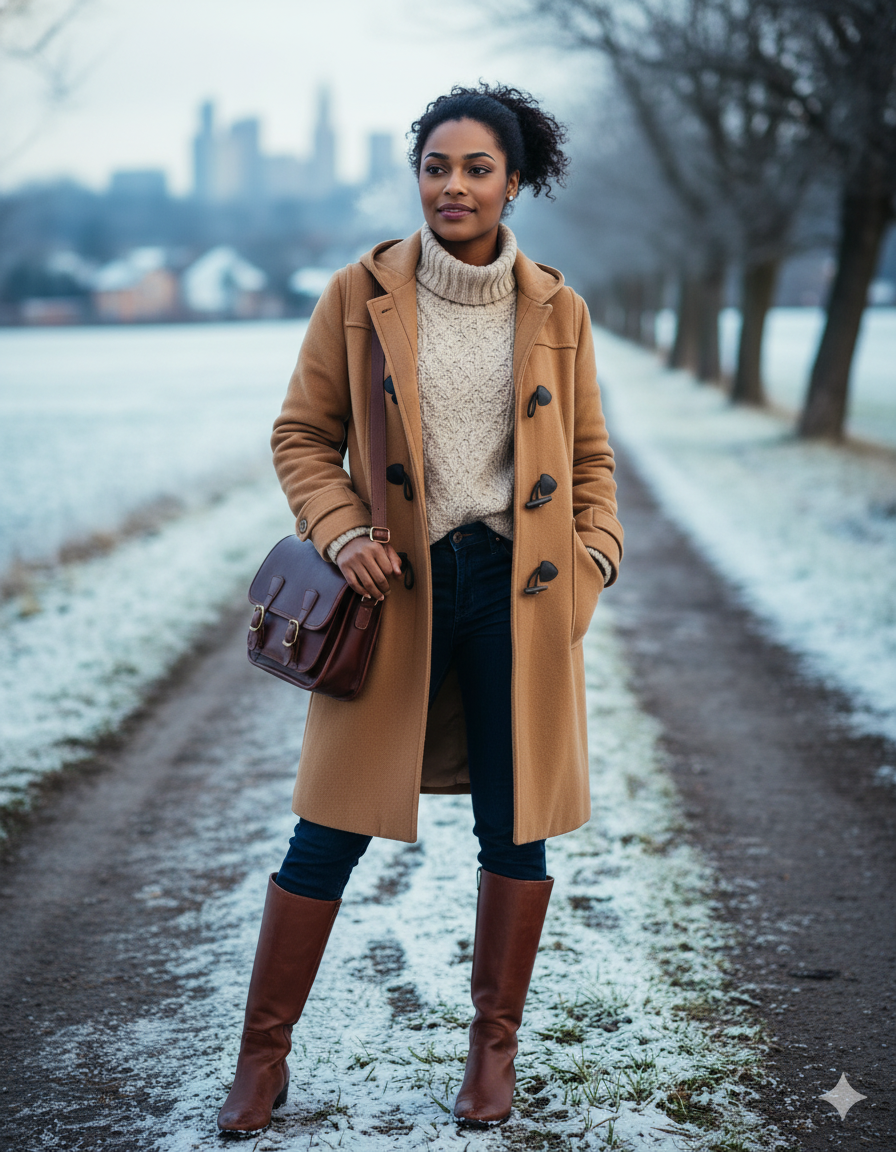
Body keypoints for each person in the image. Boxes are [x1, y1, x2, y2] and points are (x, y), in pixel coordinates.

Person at [216, 83, 624, 1136]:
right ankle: (261, 1060)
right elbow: (301, 435)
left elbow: (587, 455)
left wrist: (594, 558)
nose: (452, 185)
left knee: (514, 825)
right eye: (435, 165)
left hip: (518, 592)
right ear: (417, 175)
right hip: (389, 592)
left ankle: (492, 1056)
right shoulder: (358, 294)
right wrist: (341, 529)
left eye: (476, 167)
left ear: (514, 180)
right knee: (327, 829)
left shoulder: (557, 308)